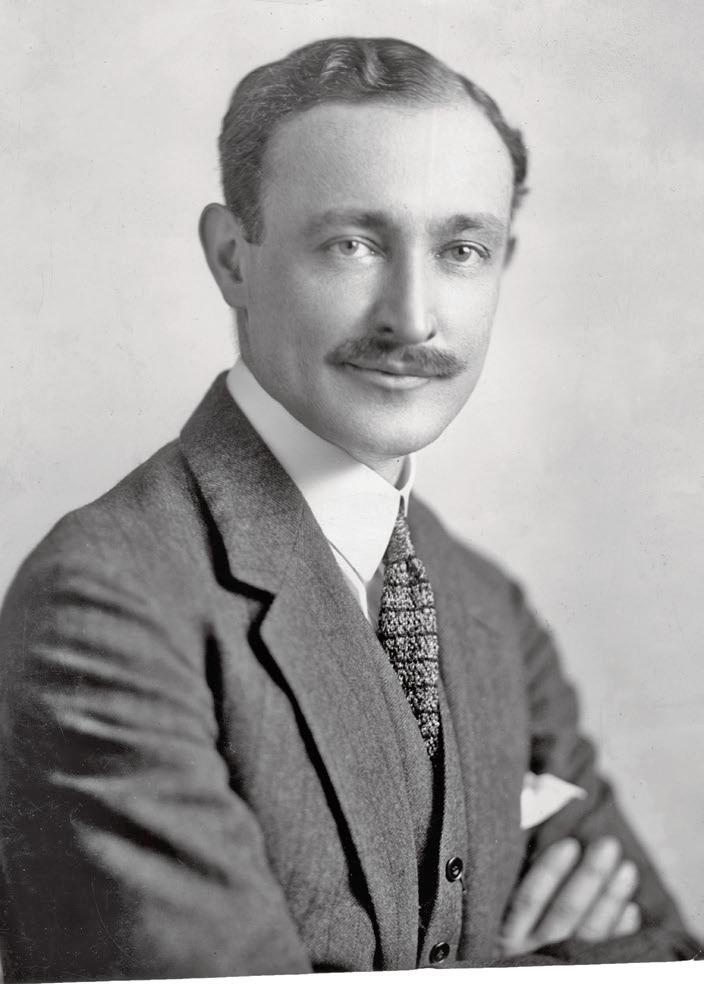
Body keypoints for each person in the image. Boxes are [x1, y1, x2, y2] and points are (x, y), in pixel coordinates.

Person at [0, 36, 699, 980]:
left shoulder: (489, 608)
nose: (413, 317)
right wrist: (527, 964)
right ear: (232, 258)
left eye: (461, 250)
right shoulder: (104, 601)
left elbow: (668, 956)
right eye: (352, 244)